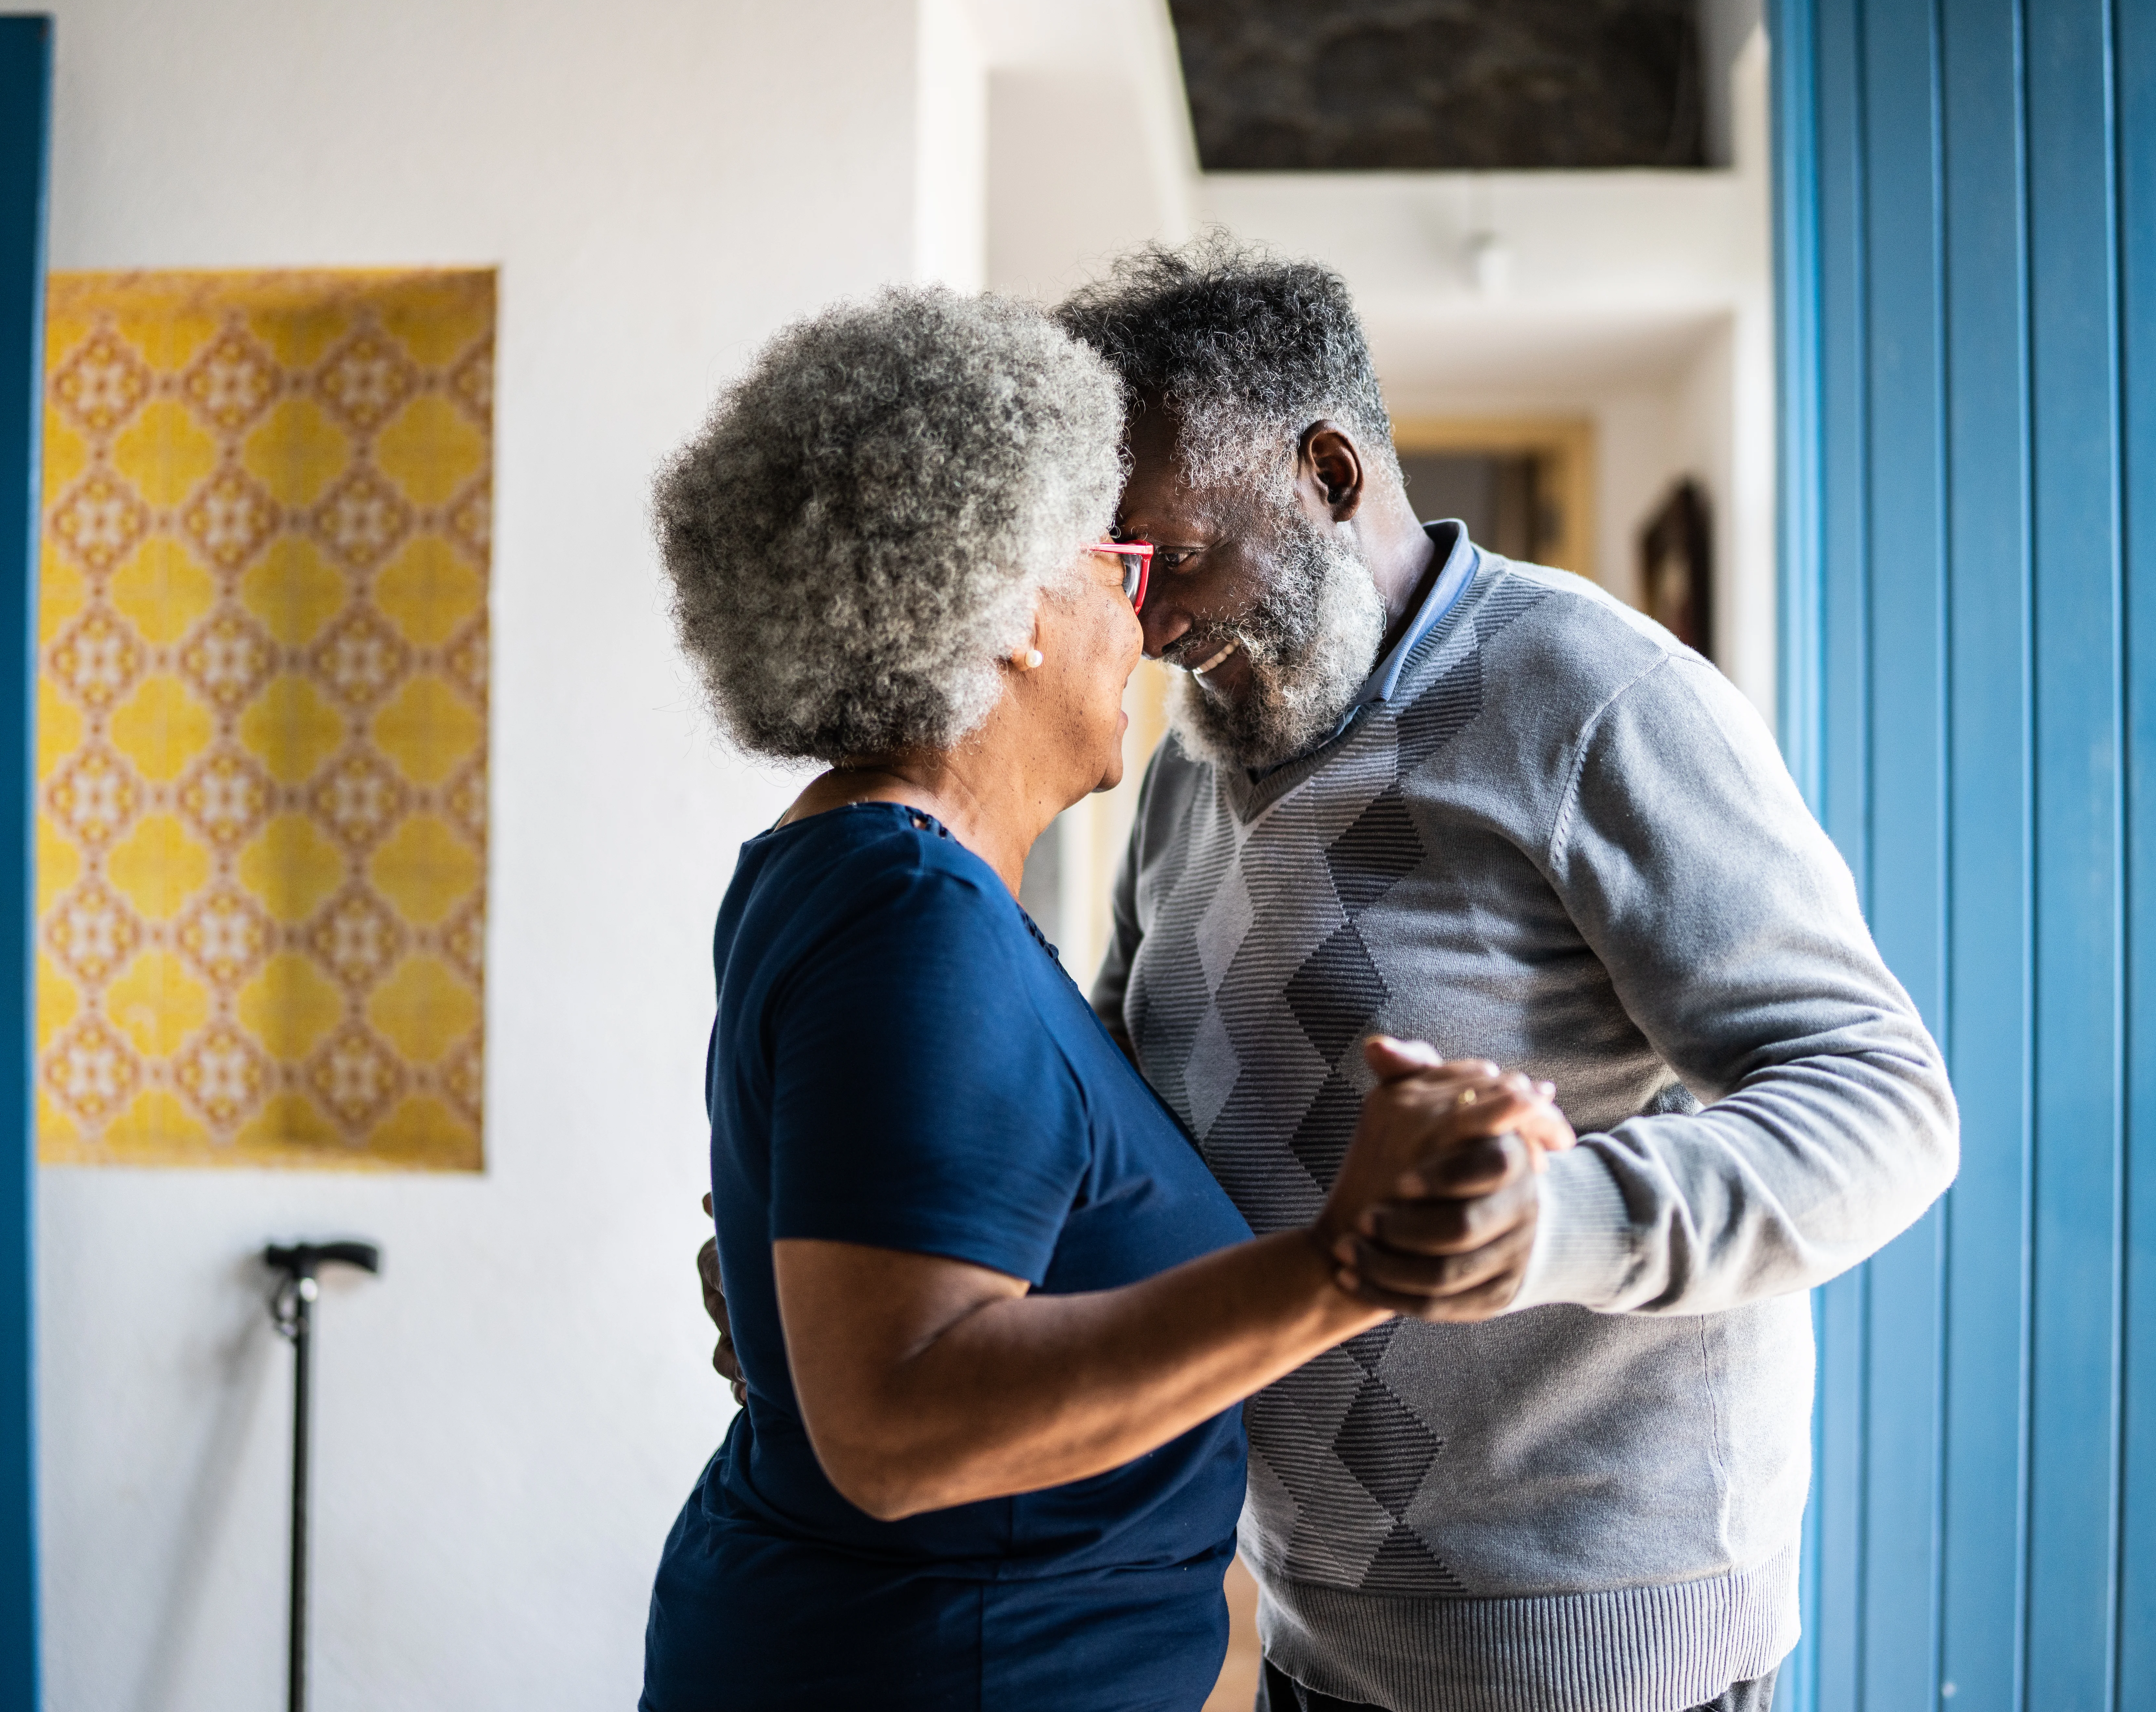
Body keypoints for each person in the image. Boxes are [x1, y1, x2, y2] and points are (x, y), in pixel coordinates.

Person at [1041, 237, 1963, 1712]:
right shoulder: (1181, 778)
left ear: (1328, 475)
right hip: (1308, 1633)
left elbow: (1883, 1103)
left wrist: (1553, 1220)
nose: (1137, 624)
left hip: (1604, 1661)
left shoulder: (1592, 700)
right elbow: (1115, 1114)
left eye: (1173, 558)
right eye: (1111, 570)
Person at [639, 286, 1574, 1712]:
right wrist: (1350, 1259)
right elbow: (896, 1428)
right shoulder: (907, 915)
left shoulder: (855, 871)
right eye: (1110, 563)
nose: (1137, 623)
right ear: (1014, 607)